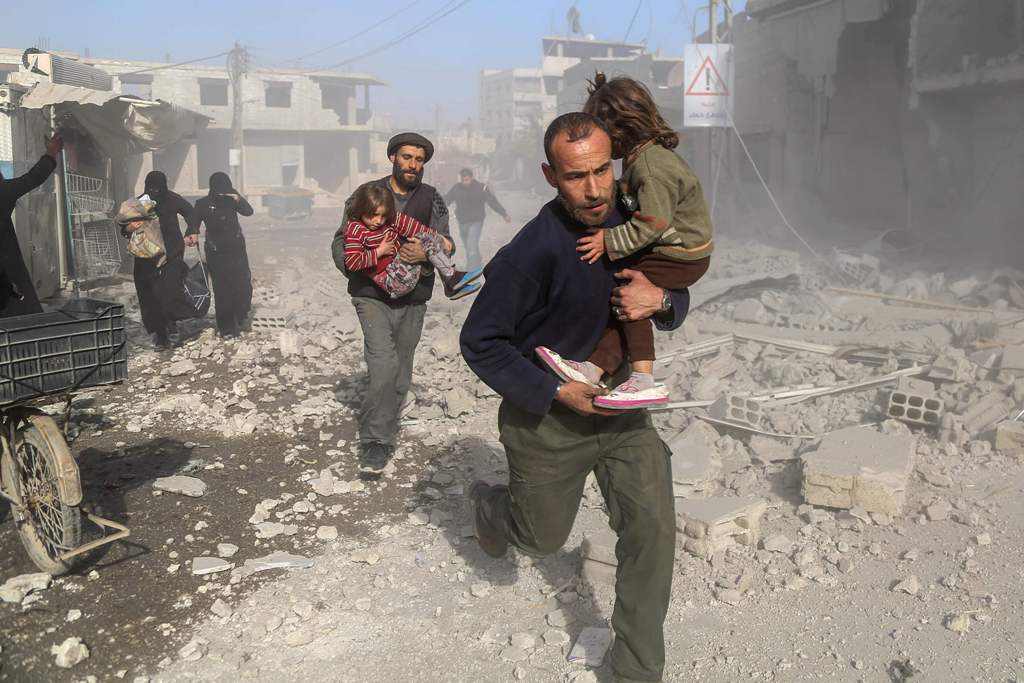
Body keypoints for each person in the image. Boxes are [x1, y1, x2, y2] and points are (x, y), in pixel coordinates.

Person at [461, 112, 690, 683]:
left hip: (619, 407)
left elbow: (675, 292)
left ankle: (636, 670)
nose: (593, 190)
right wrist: (557, 389)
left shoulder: (638, 222)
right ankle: (493, 507)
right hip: (550, 417)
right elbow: (480, 342)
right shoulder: (530, 253)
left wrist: (661, 301)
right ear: (550, 176)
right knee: (542, 539)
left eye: (601, 171)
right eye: (574, 176)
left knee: (652, 529)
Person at [535, 74, 713, 409]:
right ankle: (593, 368)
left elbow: (652, 223)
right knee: (625, 305)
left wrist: (608, 240)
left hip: (680, 252)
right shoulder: (642, 160)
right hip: (678, 250)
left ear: (618, 130)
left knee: (628, 292)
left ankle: (642, 377)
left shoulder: (651, 168)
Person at [331, 132, 456, 475]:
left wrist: (426, 254)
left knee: (400, 371)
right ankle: (376, 440)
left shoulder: (433, 199)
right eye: (407, 157)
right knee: (383, 367)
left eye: (419, 159)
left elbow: (447, 243)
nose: (413, 165)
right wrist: (362, 266)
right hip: (371, 296)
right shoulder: (366, 194)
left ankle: (386, 419)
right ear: (392, 158)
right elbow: (341, 243)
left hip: (413, 298)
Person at [342, 183, 482, 301]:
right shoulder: (355, 229)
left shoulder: (391, 219)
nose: (378, 221)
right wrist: (380, 251)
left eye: (383, 215)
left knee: (427, 237)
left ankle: (451, 281)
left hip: (400, 270)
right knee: (421, 244)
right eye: (373, 215)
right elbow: (352, 262)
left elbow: (415, 228)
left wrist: (440, 239)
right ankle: (451, 279)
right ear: (361, 209)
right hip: (393, 281)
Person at [132, 170, 198, 348]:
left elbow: (190, 212)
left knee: (169, 293)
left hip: (172, 253)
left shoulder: (172, 198)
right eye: (151, 188)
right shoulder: (140, 202)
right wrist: (131, 227)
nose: (154, 192)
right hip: (147, 257)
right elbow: (125, 225)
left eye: (157, 189)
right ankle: (160, 335)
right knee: (150, 298)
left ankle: (172, 324)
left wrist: (192, 230)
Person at [0, 134, 63, 318]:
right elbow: (33, 178)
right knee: (17, 310)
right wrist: (51, 152)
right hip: (6, 265)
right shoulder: (3, 191)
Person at [190, 172, 254, 337]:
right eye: (221, 191)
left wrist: (238, 199)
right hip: (216, 252)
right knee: (222, 290)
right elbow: (193, 223)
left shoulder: (232, 200)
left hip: (237, 250)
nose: (223, 194)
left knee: (243, 285)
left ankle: (240, 315)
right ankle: (226, 328)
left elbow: (249, 211)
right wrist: (192, 233)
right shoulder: (202, 204)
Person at [444, 167, 510, 271]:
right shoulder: (457, 188)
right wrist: (436, 207)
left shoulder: (481, 187)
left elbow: (492, 201)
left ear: (471, 178)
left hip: (476, 221)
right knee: (468, 245)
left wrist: (504, 213)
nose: (465, 182)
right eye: (463, 180)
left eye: (467, 179)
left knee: (471, 243)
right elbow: (447, 199)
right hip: (462, 221)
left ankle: (472, 269)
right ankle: (477, 261)